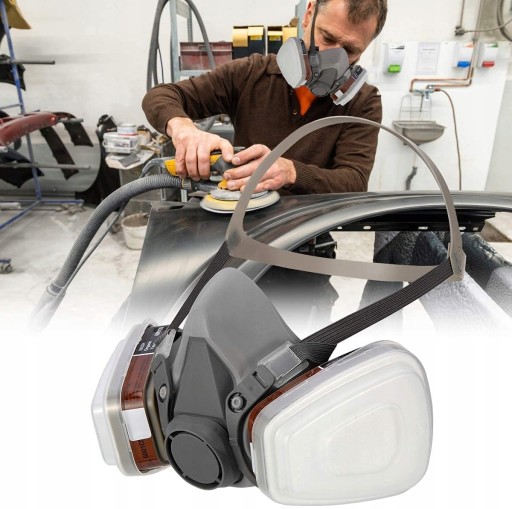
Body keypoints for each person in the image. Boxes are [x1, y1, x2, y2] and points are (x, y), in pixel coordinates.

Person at [142, 0, 388, 196]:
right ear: (308, 15)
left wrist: (291, 172)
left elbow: (354, 181)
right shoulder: (250, 74)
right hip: (244, 219)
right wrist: (184, 129)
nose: (332, 60)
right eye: (327, 37)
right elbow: (160, 96)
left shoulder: (363, 102)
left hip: (308, 230)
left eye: (349, 50)